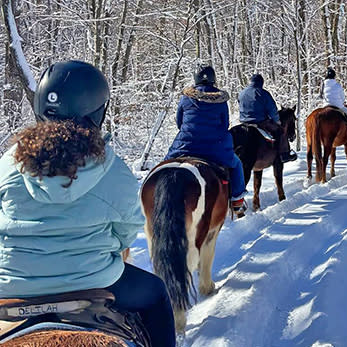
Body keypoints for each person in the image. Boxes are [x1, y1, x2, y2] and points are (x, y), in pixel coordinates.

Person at [0, 60, 175, 347]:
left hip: (12, 284)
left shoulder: (9, 162)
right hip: (95, 280)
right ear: (97, 109)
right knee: (156, 293)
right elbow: (128, 229)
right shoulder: (111, 167)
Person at [164, 65, 247, 216]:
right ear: (213, 79)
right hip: (215, 148)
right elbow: (224, 125)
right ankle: (237, 201)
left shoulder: (186, 98)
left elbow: (179, 123)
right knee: (236, 164)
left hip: (185, 145)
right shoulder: (220, 100)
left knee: (163, 167)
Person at [238, 74, 297, 163]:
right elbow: (272, 109)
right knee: (280, 132)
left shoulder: (242, 93)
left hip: (244, 122)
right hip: (260, 122)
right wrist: (277, 121)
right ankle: (284, 155)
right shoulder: (263, 93)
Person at [320, 68, 347, 140]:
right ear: (334, 76)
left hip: (326, 105)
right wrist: (342, 101)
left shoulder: (323, 84)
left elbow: (320, 96)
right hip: (338, 105)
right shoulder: (337, 85)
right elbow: (342, 97)